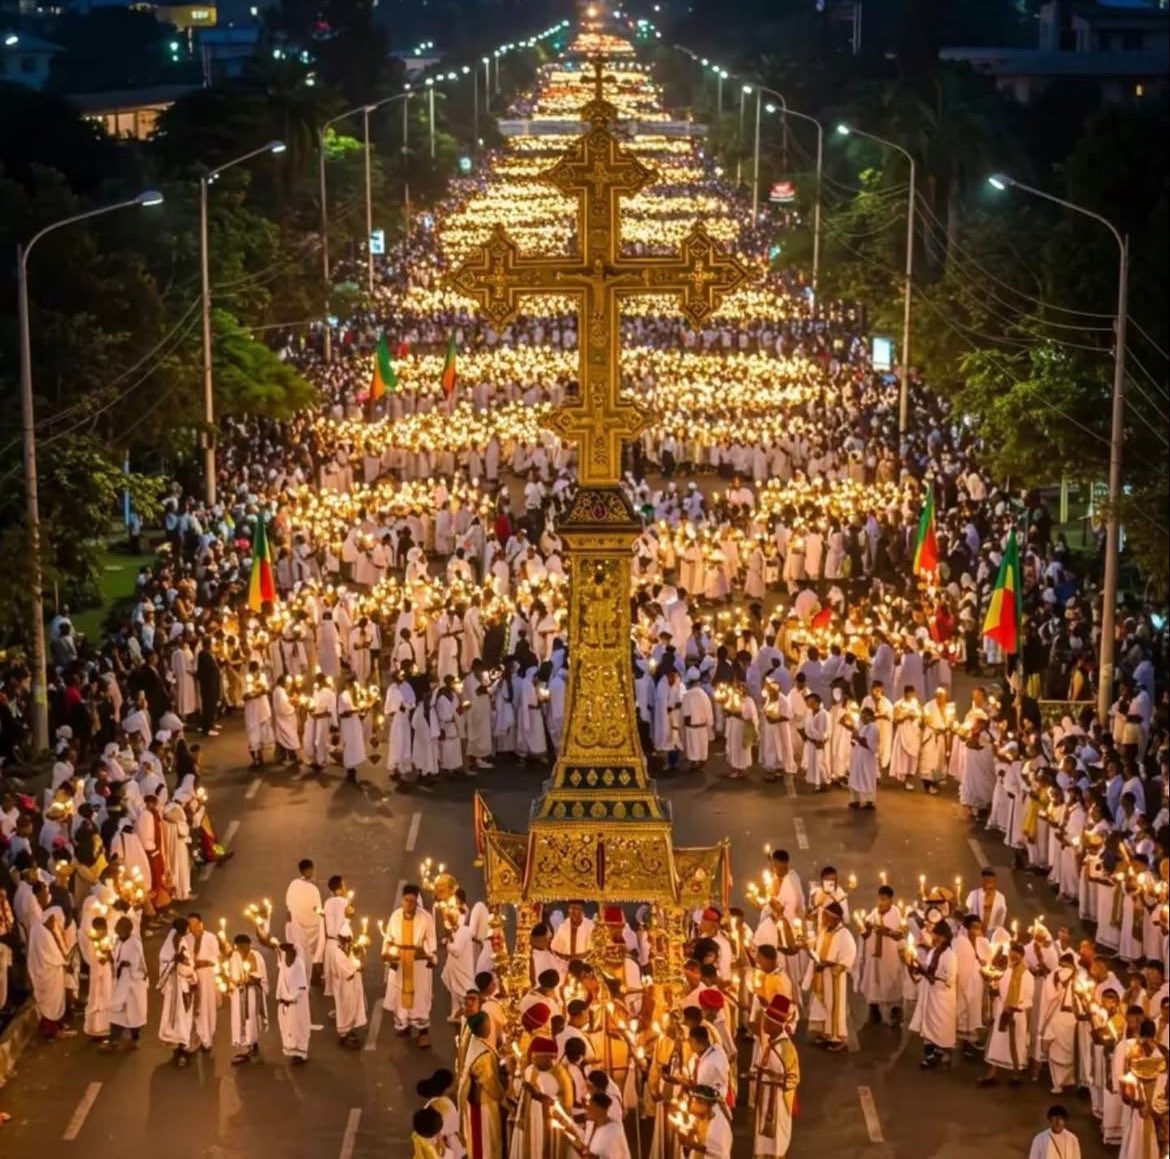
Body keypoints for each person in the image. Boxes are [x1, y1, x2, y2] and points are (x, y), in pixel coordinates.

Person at [382, 883, 437, 1048]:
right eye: (406, 900)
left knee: (420, 998)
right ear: (402, 900)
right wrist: (388, 954)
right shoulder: (395, 916)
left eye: (412, 901)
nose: (409, 904)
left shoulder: (426, 918)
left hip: (418, 965)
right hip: (400, 962)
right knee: (400, 996)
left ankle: (423, 1032)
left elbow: (431, 943)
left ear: (417, 901)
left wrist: (426, 953)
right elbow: (389, 938)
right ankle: (404, 1025)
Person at [750, 994, 800, 1158]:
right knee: (762, 1132)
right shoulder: (770, 1042)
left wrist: (773, 1079)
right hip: (764, 1094)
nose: (764, 1025)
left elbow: (793, 1077)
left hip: (776, 1098)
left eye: (767, 1022)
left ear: (776, 1026)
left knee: (776, 1132)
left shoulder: (785, 1048)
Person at [802, 901, 856, 1051]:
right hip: (821, 975)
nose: (823, 918)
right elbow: (817, 949)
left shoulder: (844, 935)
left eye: (826, 916)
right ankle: (824, 1033)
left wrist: (827, 964)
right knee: (821, 1005)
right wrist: (808, 949)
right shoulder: (824, 931)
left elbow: (848, 958)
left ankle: (837, 1038)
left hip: (834, 978)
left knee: (834, 1007)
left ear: (835, 918)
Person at [979, 942, 1035, 1086]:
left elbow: (1028, 999)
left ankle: (1015, 1074)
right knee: (998, 1042)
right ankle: (993, 1073)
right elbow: (1001, 990)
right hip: (1002, 1012)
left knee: (1015, 1044)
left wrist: (1016, 1007)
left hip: (1017, 1015)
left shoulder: (1027, 976)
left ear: (1022, 957)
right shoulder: (1007, 972)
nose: (1013, 958)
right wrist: (994, 988)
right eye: (1011, 955)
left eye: (1016, 956)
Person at [908, 920, 958, 1070]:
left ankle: (940, 1054)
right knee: (930, 1024)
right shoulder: (933, 952)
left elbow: (949, 980)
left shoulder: (950, 956)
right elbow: (929, 969)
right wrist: (917, 966)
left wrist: (930, 977)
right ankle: (932, 1053)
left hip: (942, 998)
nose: (933, 938)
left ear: (944, 938)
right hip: (931, 996)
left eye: (936, 936)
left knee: (941, 1026)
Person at [458, 1011, 506, 1159]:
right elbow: (489, 1082)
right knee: (486, 1139)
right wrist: (502, 1096)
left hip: (477, 1099)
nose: (490, 1027)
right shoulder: (483, 1056)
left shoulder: (475, 1041)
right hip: (483, 1102)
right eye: (487, 1024)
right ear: (481, 1028)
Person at [28, 908, 75, 1039]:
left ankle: (55, 1026)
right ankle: (52, 1031)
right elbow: (53, 955)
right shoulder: (44, 934)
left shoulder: (37, 928)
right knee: (52, 1003)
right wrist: (66, 964)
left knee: (49, 1003)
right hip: (49, 973)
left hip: (42, 971)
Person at [158, 916, 196, 1067]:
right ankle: (179, 1049)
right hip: (175, 988)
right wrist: (177, 962)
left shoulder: (181, 942)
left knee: (183, 1017)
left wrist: (186, 967)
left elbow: (187, 963)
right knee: (177, 1018)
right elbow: (166, 962)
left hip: (183, 986)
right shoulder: (172, 943)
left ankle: (182, 1047)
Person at [106, 914, 149, 1050]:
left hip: (132, 984)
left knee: (134, 1013)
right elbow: (117, 959)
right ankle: (113, 1041)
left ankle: (135, 1039)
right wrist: (111, 958)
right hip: (121, 983)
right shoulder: (118, 941)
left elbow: (135, 964)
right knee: (116, 1013)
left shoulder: (134, 944)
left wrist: (124, 964)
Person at [227, 932, 269, 1065]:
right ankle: (246, 1047)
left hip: (252, 993)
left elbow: (262, 976)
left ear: (249, 945)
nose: (242, 950)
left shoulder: (256, 956)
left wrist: (252, 980)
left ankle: (251, 1045)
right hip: (239, 995)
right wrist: (235, 982)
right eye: (239, 947)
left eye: (244, 947)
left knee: (251, 1019)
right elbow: (232, 976)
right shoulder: (234, 957)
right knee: (239, 1020)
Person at [285, 859, 325, 977]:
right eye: (308, 870)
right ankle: (300, 975)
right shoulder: (295, 885)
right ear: (302, 871)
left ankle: (311, 975)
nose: (310, 872)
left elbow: (317, 906)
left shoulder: (313, 887)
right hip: (298, 925)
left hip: (313, 926)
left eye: (310, 870)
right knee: (300, 952)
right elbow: (290, 904)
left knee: (311, 953)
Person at [331, 925, 368, 1048]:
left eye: (349, 940)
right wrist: (357, 967)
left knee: (352, 1008)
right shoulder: (338, 954)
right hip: (344, 987)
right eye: (345, 940)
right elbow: (350, 972)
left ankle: (349, 1031)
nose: (348, 942)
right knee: (345, 1010)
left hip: (352, 987)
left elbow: (357, 964)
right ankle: (344, 1034)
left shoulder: (348, 951)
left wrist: (360, 953)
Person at [276, 942, 311, 1063]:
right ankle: (292, 1051)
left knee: (299, 1027)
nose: (287, 954)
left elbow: (301, 987)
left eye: (289, 952)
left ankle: (300, 1053)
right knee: (288, 1027)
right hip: (286, 1002)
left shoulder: (299, 965)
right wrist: (282, 997)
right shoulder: (283, 964)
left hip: (297, 1003)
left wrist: (290, 998)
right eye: (285, 952)